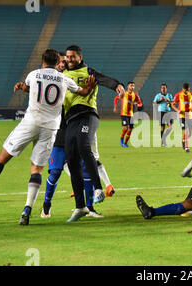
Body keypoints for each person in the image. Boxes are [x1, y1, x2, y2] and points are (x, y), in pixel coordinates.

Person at [0, 49, 97, 226]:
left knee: (2, 157)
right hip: (50, 128)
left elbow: (30, 88)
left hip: (31, 122)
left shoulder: (34, 74)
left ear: (42, 61)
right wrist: (90, 86)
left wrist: (21, 87)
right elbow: (83, 92)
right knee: (37, 170)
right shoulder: (65, 79)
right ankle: (27, 208)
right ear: (58, 62)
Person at [62, 45, 124, 222]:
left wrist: (118, 85)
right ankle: (80, 207)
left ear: (80, 57)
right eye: (67, 57)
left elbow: (104, 79)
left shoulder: (88, 71)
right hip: (71, 119)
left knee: (83, 145)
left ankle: (98, 188)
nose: (69, 59)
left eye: (72, 57)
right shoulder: (62, 76)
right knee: (71, 160)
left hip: (87, 115)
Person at [113, 81, 143, 148]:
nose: (132, 87)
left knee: (130, 129)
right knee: (126, 128)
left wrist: (138, 104)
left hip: (131, 114)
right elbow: (116, 98)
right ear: (128, 86)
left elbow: (140, 103)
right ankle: (121, 139)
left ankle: (125, 143)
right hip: (123, 113)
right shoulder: (124, 93)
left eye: (133, 86)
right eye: (131, 85)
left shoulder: (135, 95)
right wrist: (115, 107)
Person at [171, 83, 192, 152]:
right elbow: (172, 104)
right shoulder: (178, 95)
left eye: (188, 90)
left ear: (189, 88)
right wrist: (178, 110)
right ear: (183, 89)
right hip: (182, 116)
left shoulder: (191, 94)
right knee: (186, 130)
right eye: (186, 90)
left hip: (190, 115)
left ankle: (183, 140)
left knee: (190, 133)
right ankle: (187, 147)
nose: (187, 91)